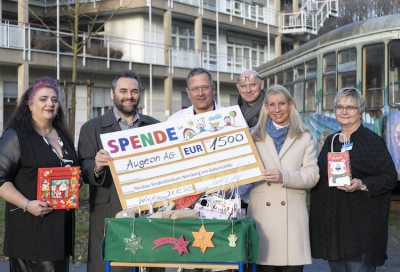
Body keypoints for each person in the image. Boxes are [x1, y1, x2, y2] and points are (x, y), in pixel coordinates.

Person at [78, 70, 160, 272]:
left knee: (150, 263)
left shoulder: (155, 126)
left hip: (150, 210)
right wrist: (96, 165)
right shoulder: (91, 128)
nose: (129, 96)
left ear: (140, 93)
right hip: (109, 208)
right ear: (112, 94)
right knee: (111, 264)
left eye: (134, 91)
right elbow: (83, 170)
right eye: (123, 91)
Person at [309, 87, 398, 272]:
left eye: (351, 107)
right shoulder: (331, 141)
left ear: (360, 110)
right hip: (334, 228)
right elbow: (319, 175)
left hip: (361, 230)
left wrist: (362, 184)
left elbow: (389, 177)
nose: (344, 111)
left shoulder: (372, 141)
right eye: (339, 106)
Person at [0, 76, 78, 272]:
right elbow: (1, 179)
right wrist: (27, 205)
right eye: (43, 99)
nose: (49, 104)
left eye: (54, 99)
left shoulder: (61, 134)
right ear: (30, 103)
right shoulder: (16, 136)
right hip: (30, 232)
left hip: (60, 233)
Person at [248, 84, 319, 272]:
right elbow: (241, 173)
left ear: (290, 105)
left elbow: (312, 176)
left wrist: (284, 177)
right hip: (262, 220)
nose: (277, 109)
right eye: (271, 104)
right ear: (266, 108)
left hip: (292, 221)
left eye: (281, 104)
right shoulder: (252, 136)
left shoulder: (304, 136)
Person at [236, 69, 266, 209]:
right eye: (243, 86)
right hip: (239, 182)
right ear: (238, 88)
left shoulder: (273, 109)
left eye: (253, 85)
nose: (248, 90)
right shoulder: (232, 113)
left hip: (266, 178)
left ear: (262, 85)